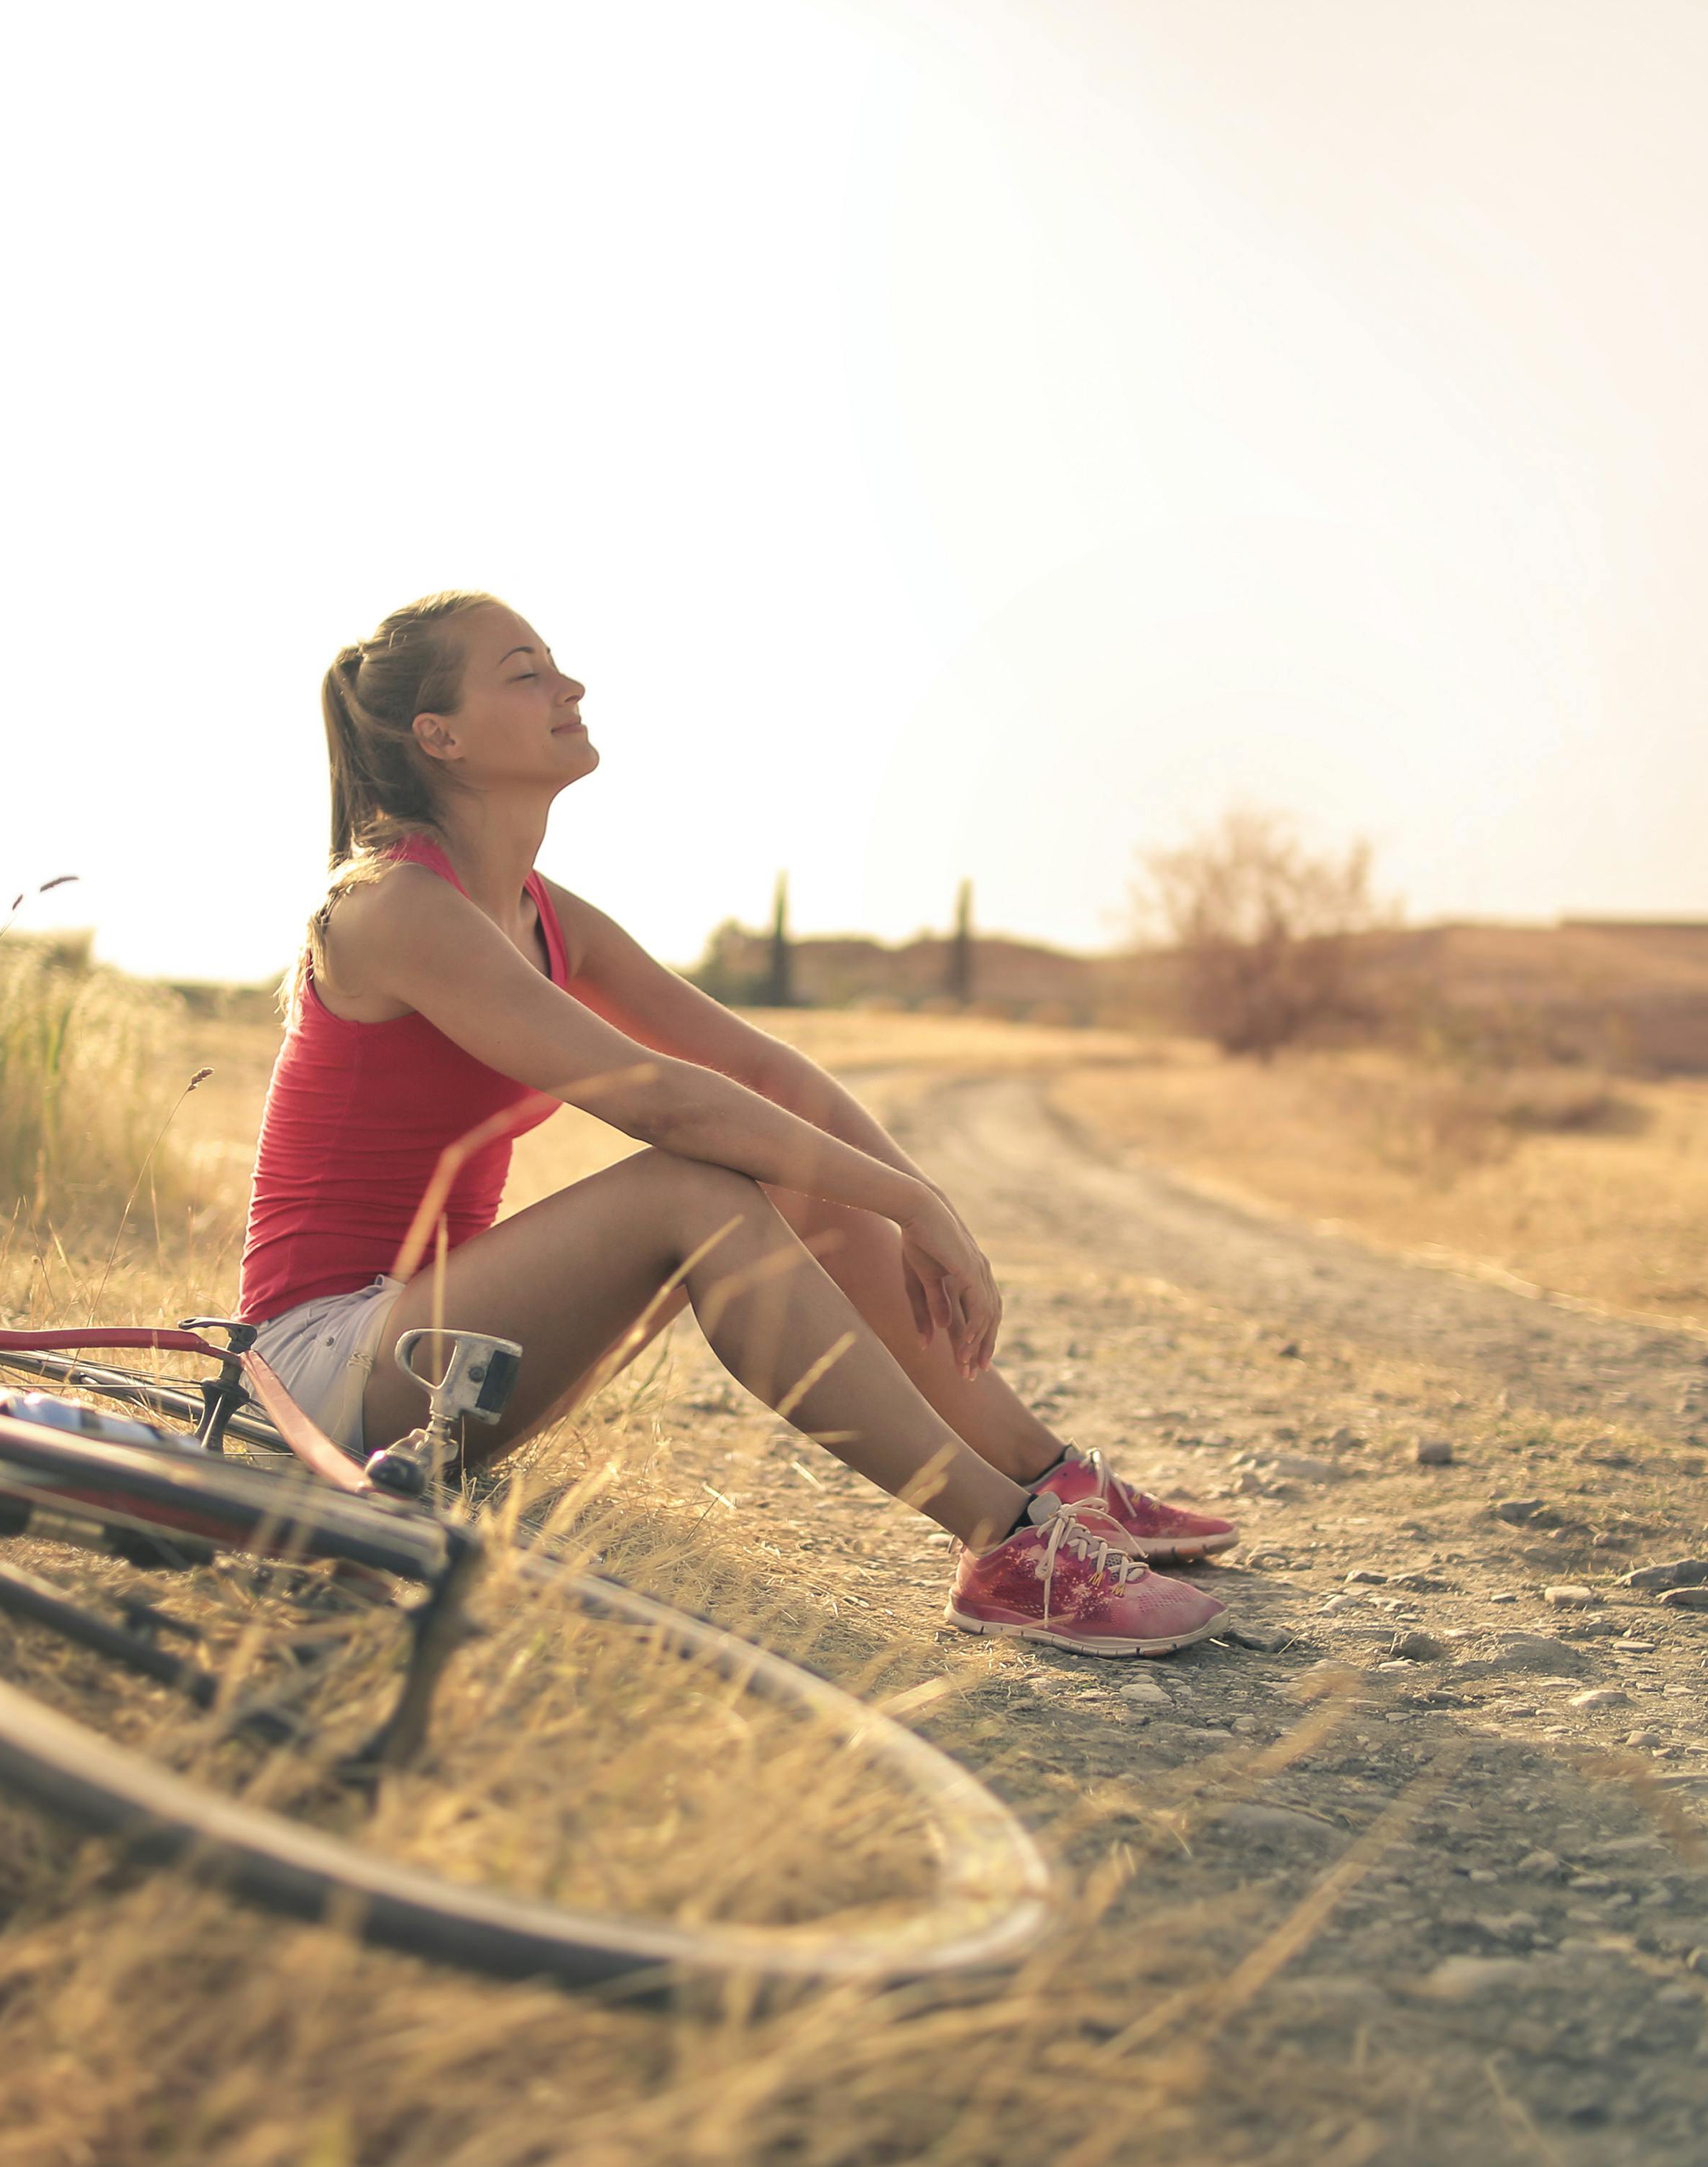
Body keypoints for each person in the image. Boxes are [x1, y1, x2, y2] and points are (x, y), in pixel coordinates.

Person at [239, 590, 1237, 1655]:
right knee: (694, 1184)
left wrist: (916, 1204)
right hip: (317, 1371)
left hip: (446, 1360)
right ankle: (1004, 1542)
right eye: (524, 671)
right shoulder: (394, 906)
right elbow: (657, 1094)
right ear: (438, 736)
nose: (568, 686)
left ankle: (1050, 1481)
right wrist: (904, 1198)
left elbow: (758, 1065)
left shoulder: (541, 912)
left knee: (801, 1168)